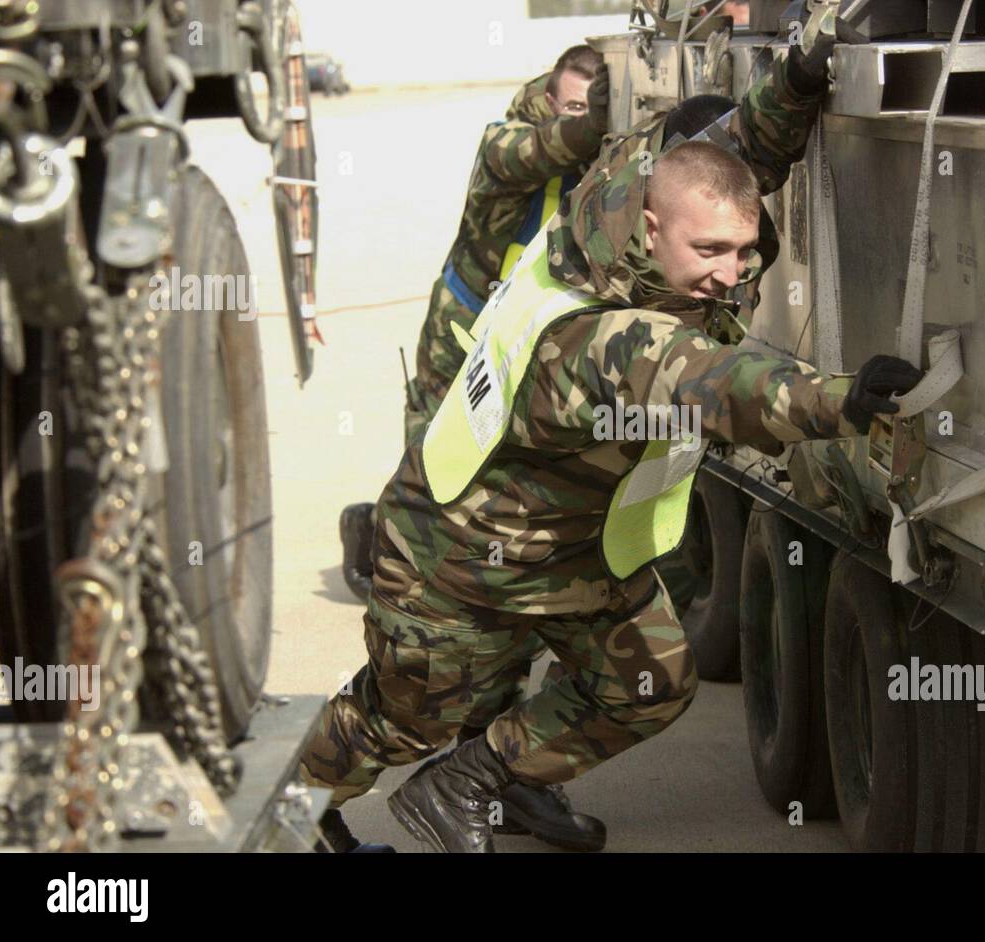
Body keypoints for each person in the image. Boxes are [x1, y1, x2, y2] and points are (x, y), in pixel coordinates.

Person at [301, 24, 917, 854]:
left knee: (650, 681)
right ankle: (287, 821)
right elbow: (720, 388)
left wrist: (800, 75)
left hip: (575, 543)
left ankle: (485, 782)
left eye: (742, 251)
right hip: (459, 557)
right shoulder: (600, 336)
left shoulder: (646, 203)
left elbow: (732, 153)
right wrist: (845, 400)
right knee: (401, 719)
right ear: (655, 226)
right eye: (710, 252)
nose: (732, 274)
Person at [323, 44, 610, 854]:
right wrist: (612, 117)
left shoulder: (610, 160)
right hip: (460, 385)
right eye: (574, 103)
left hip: (533, 398)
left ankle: (508, 781)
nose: (582, 117)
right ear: (547, 101)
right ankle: (309, 802)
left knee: (522, 599)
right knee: (440, 626)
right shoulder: (509, 144)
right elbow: (555, 145)